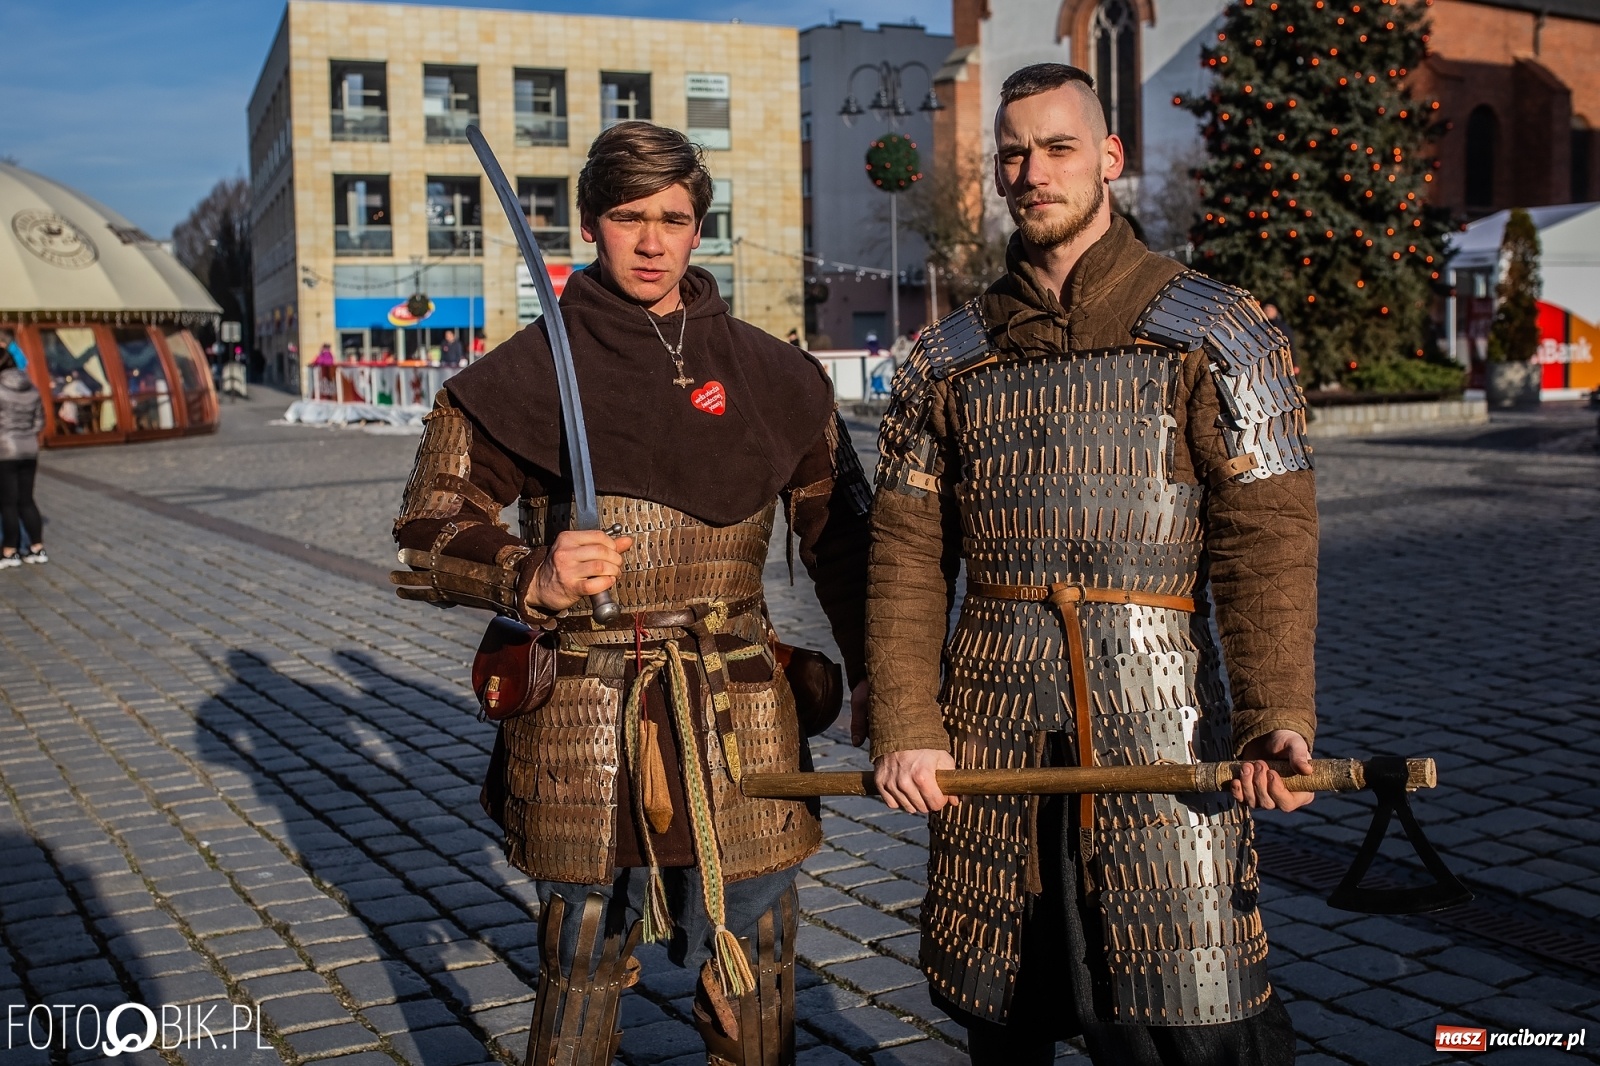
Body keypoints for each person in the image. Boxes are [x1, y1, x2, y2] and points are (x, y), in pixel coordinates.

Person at [392, 121, 872, 1066]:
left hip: (740, 699)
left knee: (761, 963)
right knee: (581, 962)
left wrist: (887, 687)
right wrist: (528, 572)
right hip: (584, 706)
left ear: (702, 228)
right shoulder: (515, 379)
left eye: (674, 218)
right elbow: (426, 527)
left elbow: (848, 548)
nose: (652, 242)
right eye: (626, 217)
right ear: (588, 224)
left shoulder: (781, 376)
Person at [866, 63, 1316, 1066]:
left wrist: (1276, 715)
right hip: (991, 726)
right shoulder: (948, 358)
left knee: (1197, 1022)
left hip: (1163, 714)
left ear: (1108, 158)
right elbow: (904, 555)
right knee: (1005, 1006)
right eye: (1014, 153)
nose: (1033, 171)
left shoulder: (1217, 330)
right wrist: (905, 722)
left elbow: (1266, 541)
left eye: (1058, 146)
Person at [0, 347, 46, 567]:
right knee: (26, 500)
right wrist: (26, 433)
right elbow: (39, 422)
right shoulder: (32, 388)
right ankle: (37, 547)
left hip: (5, 450)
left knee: (7, 503)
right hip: (30, 449)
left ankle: (10, 551)